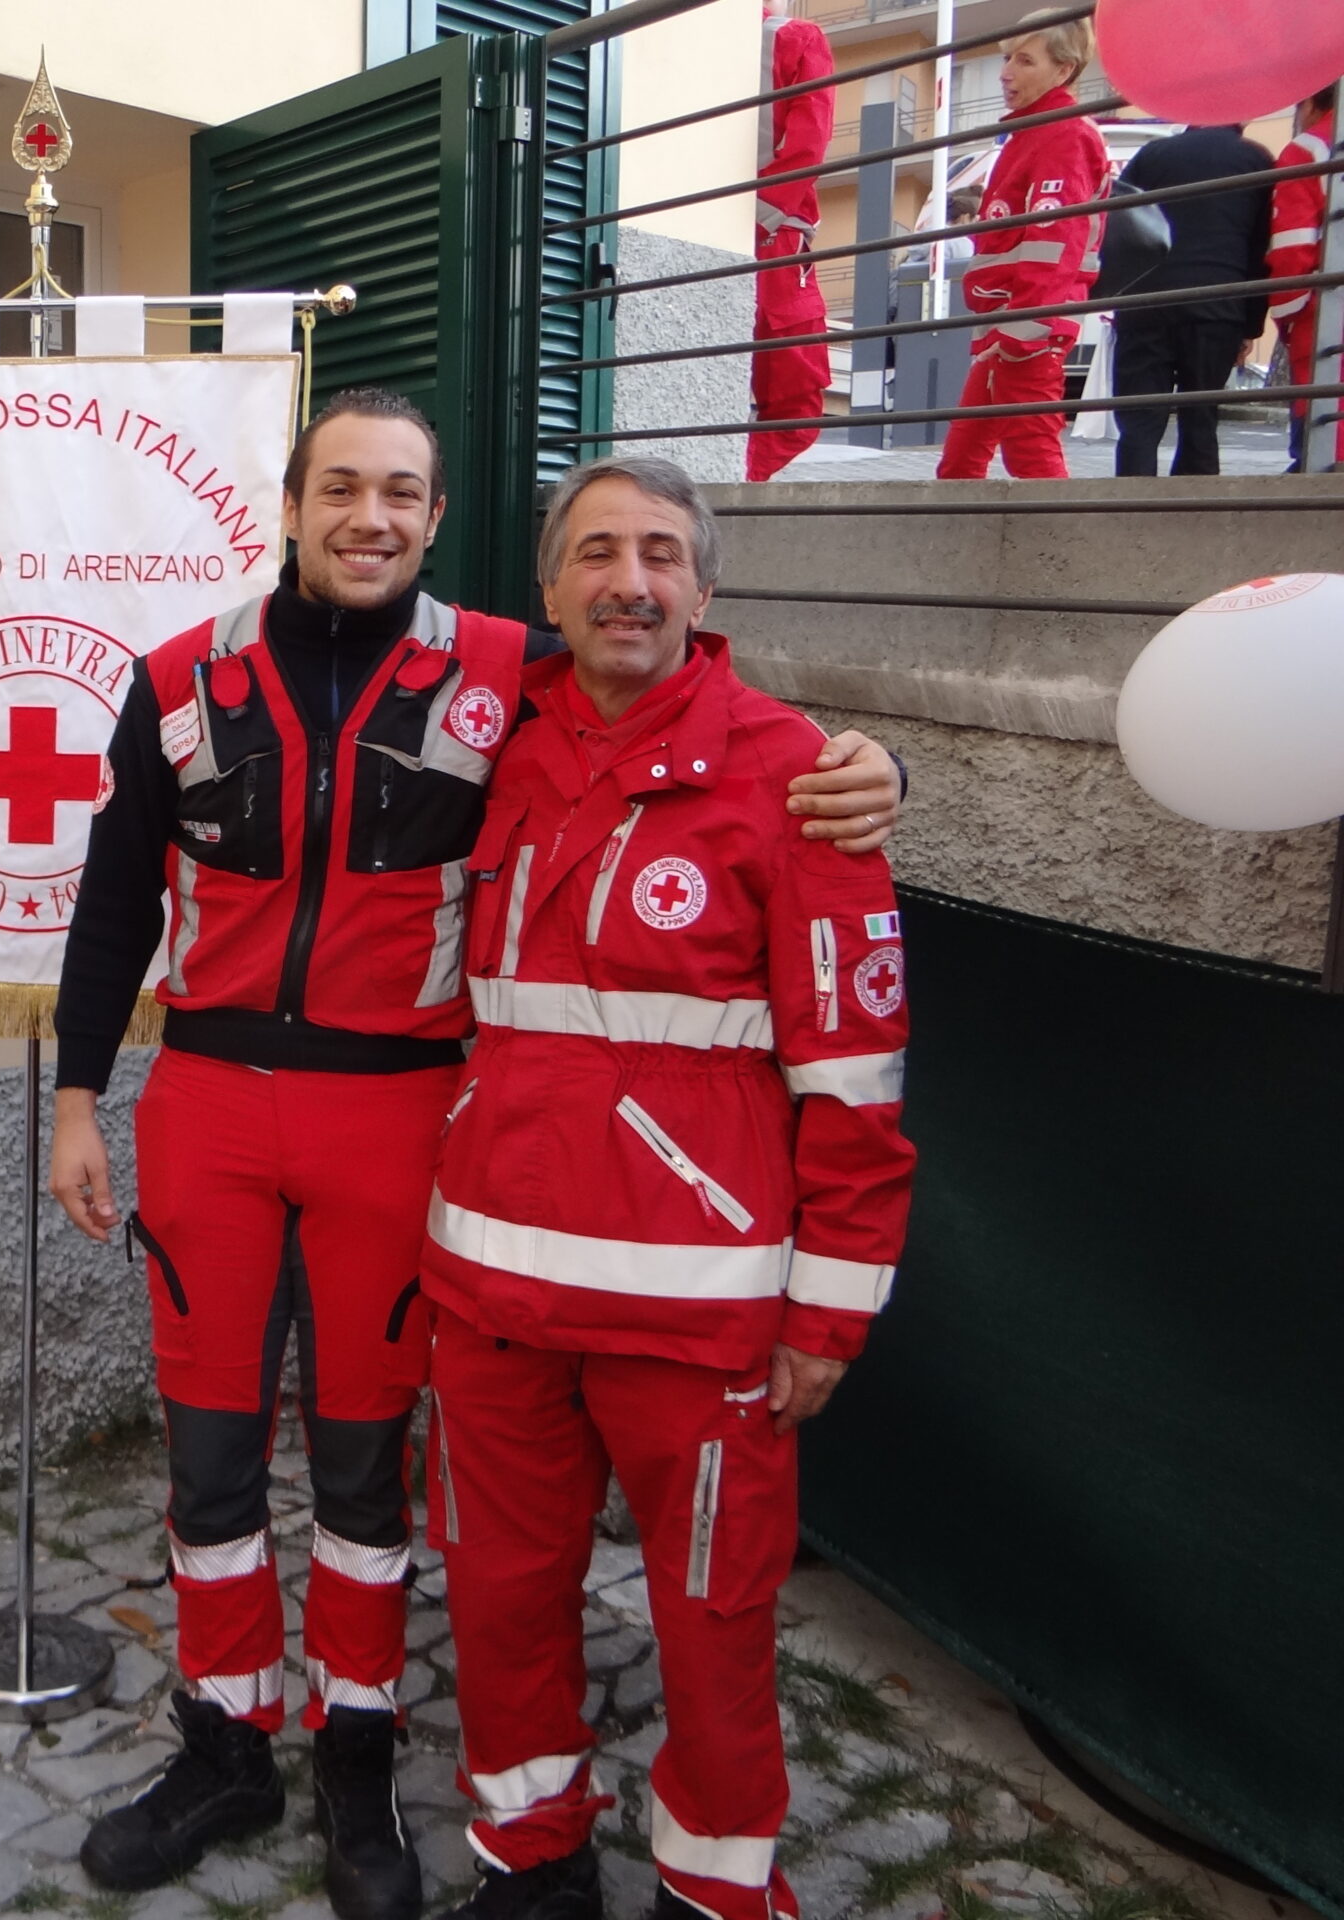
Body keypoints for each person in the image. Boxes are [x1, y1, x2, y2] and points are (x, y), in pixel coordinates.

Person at [46, 389, 905, 1920]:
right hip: (210, 1109)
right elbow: (116, 892)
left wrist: (874, 771)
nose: (369, 516)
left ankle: (360, 1750)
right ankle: (227, 1735)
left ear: (440, 522)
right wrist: (74, 1097)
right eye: (341, 488)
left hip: (402, 1119)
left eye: (402, 494)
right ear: (293, 501)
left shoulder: (513, 670)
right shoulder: (177, 677)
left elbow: (705, 724)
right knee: (213, 1454)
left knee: (370, 1465)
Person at [420, 455, 914, 1920]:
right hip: (494, 1287)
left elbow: (858, 1070)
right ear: (549, 590)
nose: (625, 580)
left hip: (693, 1306)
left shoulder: (800, 777)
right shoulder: (497, 742)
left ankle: (716, 1885)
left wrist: (827, 1311)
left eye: (656, 554)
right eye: (593, 553)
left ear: (705, 590)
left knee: (713, 1619)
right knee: (501, 1596)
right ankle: (529, 1854)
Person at [935, 13, 1111, 479]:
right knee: (964, 462)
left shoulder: (1064, 133)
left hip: (1025, 327)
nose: (1006, 71)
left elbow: (1056, 239)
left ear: (1063, 69)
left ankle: (1064, 551)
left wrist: (1024, 328)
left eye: (1025, 59)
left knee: (1027, 453)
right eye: (1007, 56)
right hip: (1009, 327)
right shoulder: (1034, 133)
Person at [1109, 122, 1274, 476]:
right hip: (1218, 303)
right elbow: (1261, 248)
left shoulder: (1152, 154)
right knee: (1200, 419)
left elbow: (1120, 223)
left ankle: (1129, 514)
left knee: (1139, 422)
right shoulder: (1256, 160)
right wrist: (1250, 325)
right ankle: (1194, 516)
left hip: (1145, 301)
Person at [747, 1, 838, 483]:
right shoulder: (795, 38)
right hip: (775, 239)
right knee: (797, 402)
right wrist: (766, 215)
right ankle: (737, 479)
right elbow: (810, 139)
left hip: (735, 228)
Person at [1266, 85, 1337, 472]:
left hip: (1325, 329)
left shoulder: (1307, 151)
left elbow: (1292, 255)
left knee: (1318, 460)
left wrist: (1287, 318)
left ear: (1309, 102)